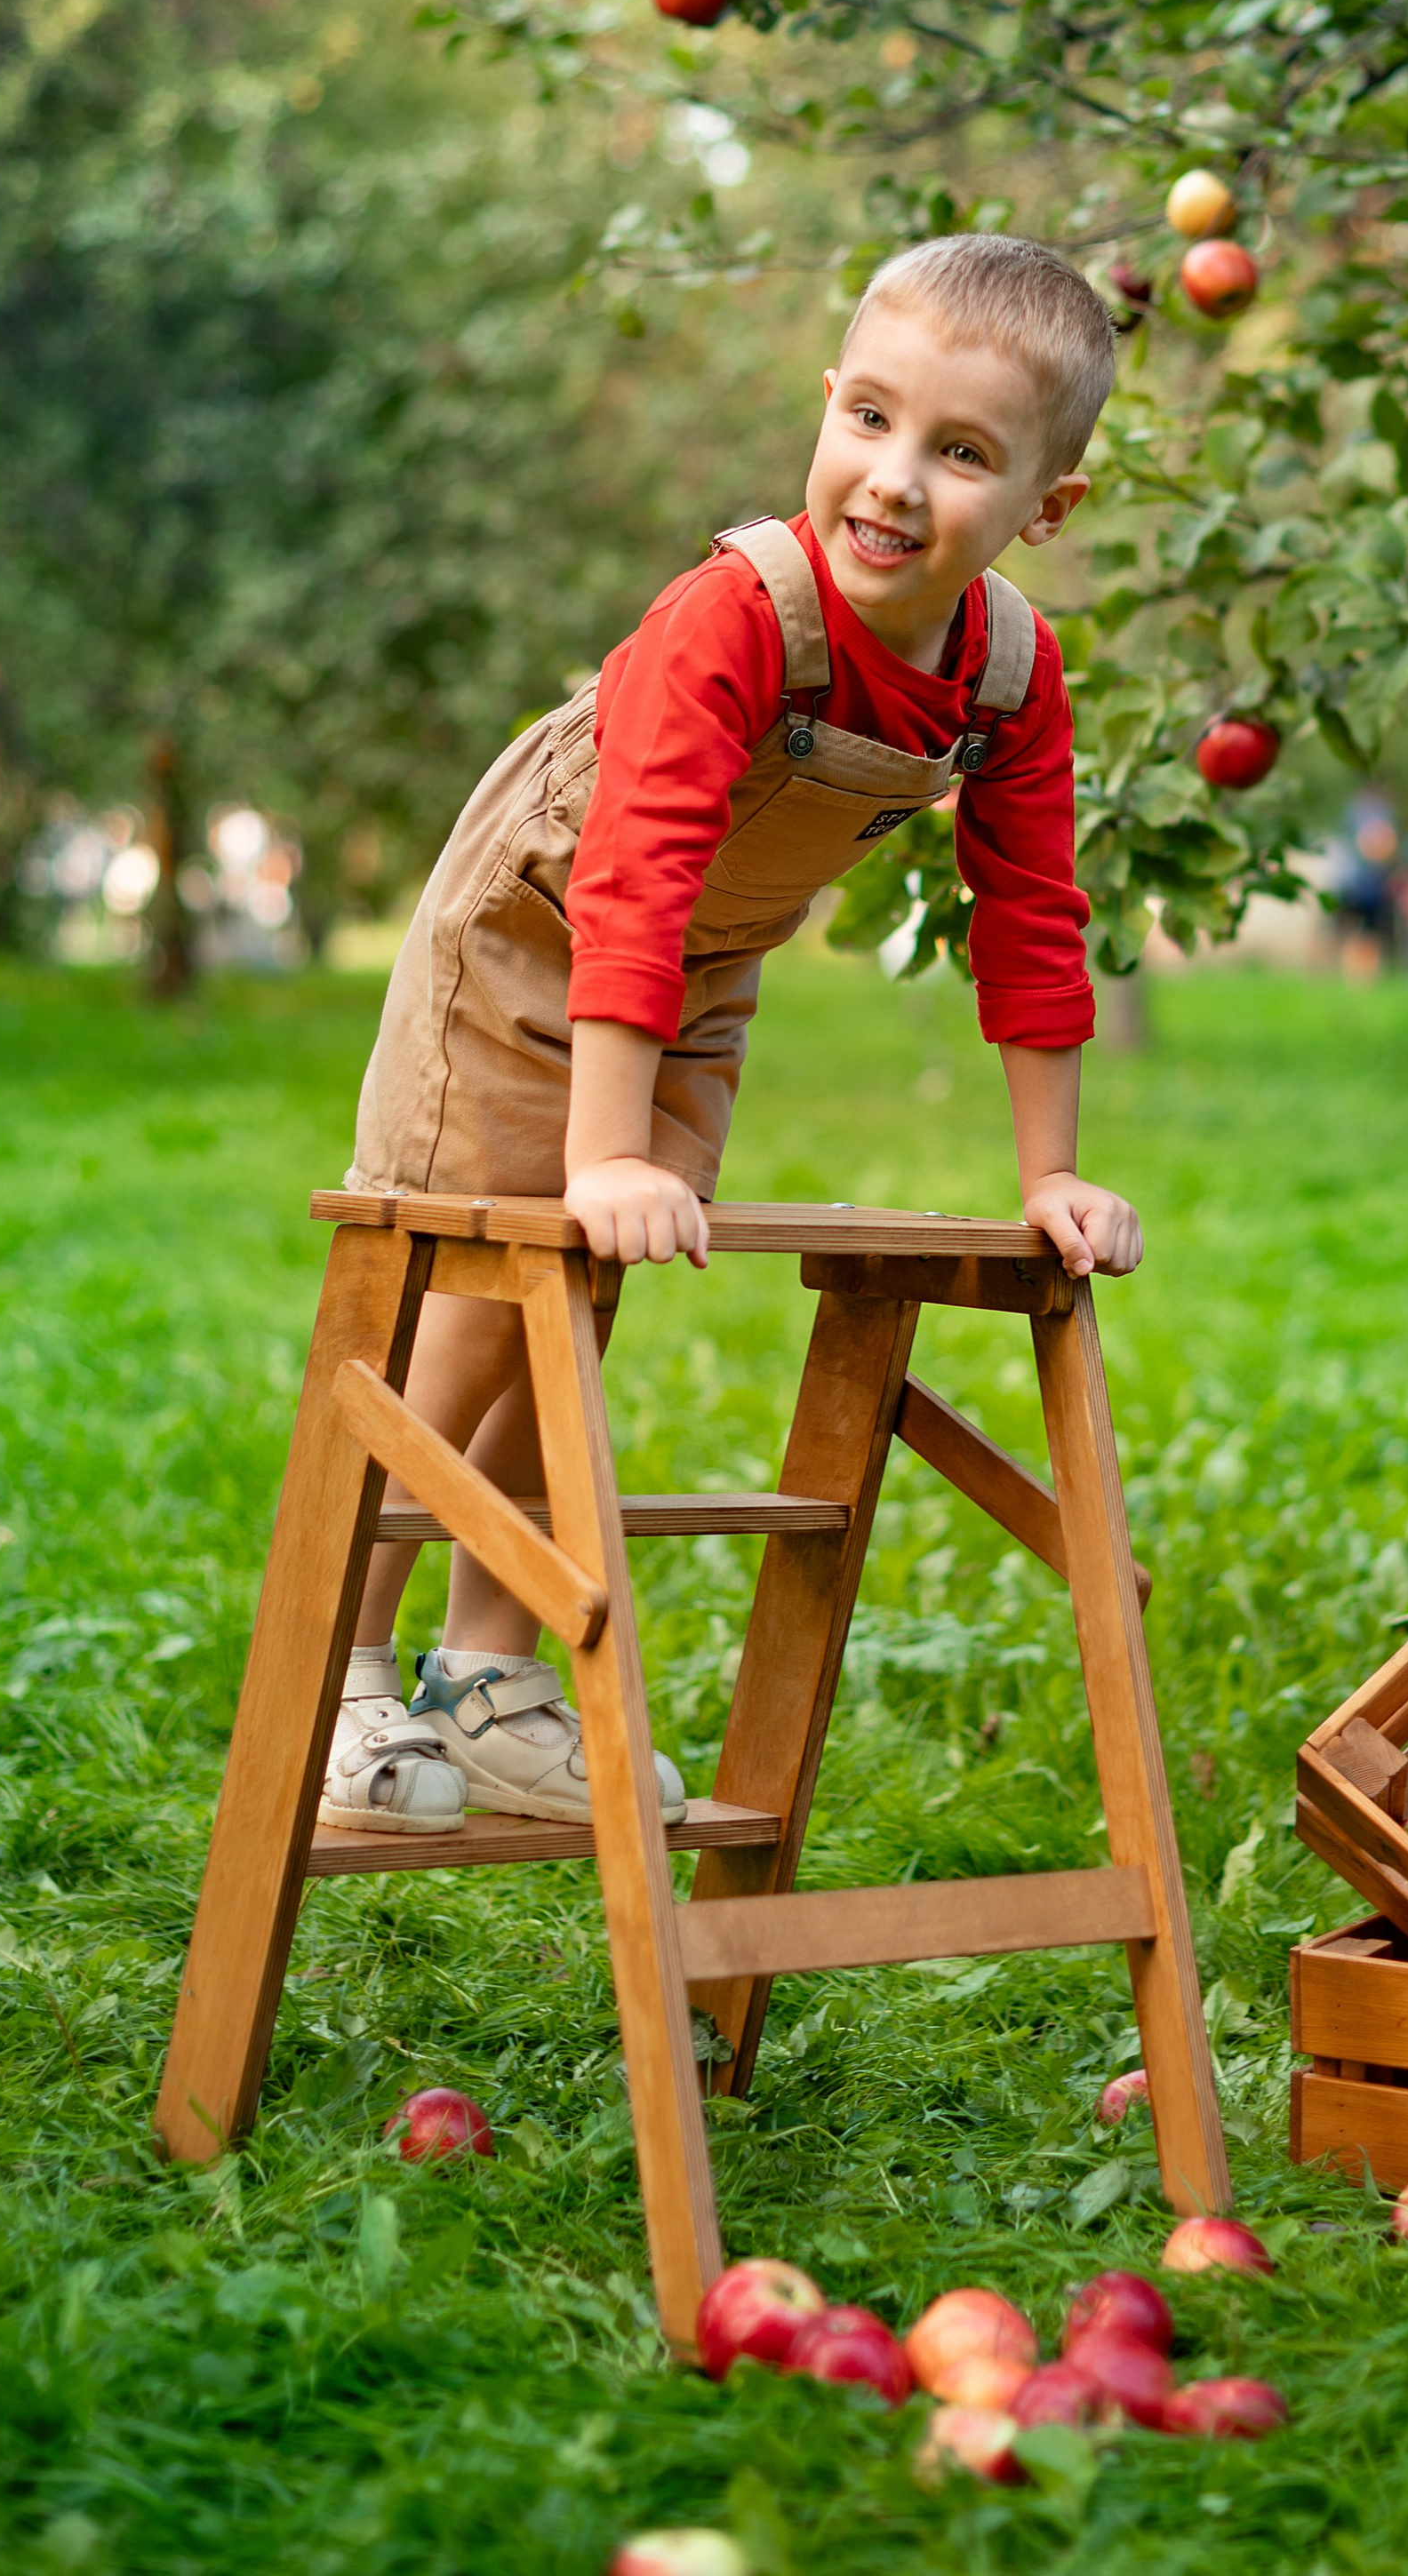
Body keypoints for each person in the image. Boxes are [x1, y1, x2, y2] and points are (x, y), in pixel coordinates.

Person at [321, 232, 1144, 1837]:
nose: (894, 481)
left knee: (587, 1296)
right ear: (826, 404)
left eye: (962, 453)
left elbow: (1034, 918)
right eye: (872, 422)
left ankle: (488, 1683)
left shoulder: (1014, 671)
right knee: (477, 1310)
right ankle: (343, 1683)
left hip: (692, 978)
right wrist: (604, 1146)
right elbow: (633, 872)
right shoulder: (736, 612)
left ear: (1048, 508)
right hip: (536, 936)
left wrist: (1055, 1175)